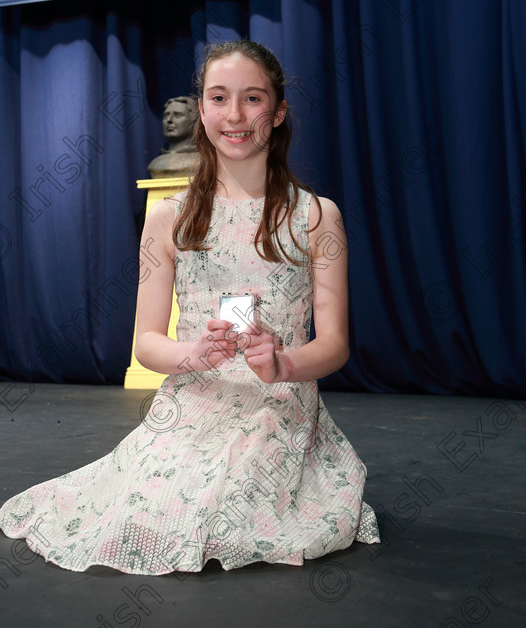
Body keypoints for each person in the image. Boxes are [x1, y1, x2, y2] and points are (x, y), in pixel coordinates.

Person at [0, 39, 380, 574]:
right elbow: (147, 343)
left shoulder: (317, 217)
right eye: (219, 98)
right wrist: (193, 355)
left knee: (233, 512)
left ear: (278, 111)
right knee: (146, 514)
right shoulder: (169, 220)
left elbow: (335, 343)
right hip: (191, 405)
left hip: (277, 409)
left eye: (252, 99)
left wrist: (283, 364)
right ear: (201, 110)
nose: (235, 115)